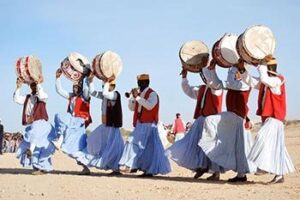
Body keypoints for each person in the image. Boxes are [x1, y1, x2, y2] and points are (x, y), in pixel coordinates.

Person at [239, 56, 295, 183]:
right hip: (269, 119)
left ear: (269, 68)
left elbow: (263, 78)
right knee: (277, 148)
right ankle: (280, 175)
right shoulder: (267, 82)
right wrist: (243, 71)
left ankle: (263, 166)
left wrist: (258, 63)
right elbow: (251, 81)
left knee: (262, 138)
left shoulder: (276, 80)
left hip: (275, 119)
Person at [198, 59, 256, 182]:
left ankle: (241, 174)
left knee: (211, 121)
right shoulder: (234, 82)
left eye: (235, 70)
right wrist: (212, 70)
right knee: (237, 147)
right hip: (232, 116)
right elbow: (218, 84)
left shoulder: (245, 83)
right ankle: (238, 174)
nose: (233, 72)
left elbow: (229, 83)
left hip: (238, 117)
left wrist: (234, 68)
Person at [166, 59, 224, 180]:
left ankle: (215, 172)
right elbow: (187, 89)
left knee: (210, 145)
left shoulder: (218, 88)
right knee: (197, 145)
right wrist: (184, 78)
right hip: (200, 121)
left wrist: (210, 69)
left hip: (211, 121)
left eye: (205, 74)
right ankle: (201, 166)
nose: (204, 76)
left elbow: (214, 81)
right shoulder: (201, 89)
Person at [119, 74, 171, 177]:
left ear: (146, 83)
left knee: (135, 142)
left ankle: (134, 165)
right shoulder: (140, 95)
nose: (138, 85)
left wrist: (138, 97)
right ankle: (142, 168)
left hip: (149, 124)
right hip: (140, 123)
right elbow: (132, 108)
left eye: (140, 83)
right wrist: (132, 98)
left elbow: (149, 106)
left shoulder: (153, 94)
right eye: (138, 83)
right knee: (146, 148)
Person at [73, 73, 124, 175]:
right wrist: (91, 81)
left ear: (112, 86)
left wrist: (107, 81)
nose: (103, 87)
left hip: (112, 128)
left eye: (106, 85)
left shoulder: (115, 94)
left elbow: (105, 93)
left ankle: (116, 169)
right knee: (92, 140)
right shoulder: (105, 95)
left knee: (113, 149)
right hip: (105, 126)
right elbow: (93, 92)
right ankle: (86, 163)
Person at [13, 78, 56, 175]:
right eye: (32, 85)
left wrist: (38, 84)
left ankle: (37, 160)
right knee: (32, 145)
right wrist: (18, 87)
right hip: (32, 125)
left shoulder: (43, 96)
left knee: (38, 143)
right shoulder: (27, 97)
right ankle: (38, 167)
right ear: (29, 86)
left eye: (35, 85)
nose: (34, 87)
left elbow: (41, 95)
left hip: (42, 124)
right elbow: (16, 99)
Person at [54, 68, 92, 175]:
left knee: (77, 147)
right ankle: (59, 141)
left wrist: (84, 78)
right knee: (61, 118)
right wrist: (57, 78)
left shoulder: (85, 97)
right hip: (72, 122)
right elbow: (60, 91)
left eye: (77, 87)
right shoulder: (71, 97)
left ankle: (85, 167)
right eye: (74, 87)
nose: (75, 89)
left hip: (79, 122)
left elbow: (86, 89)